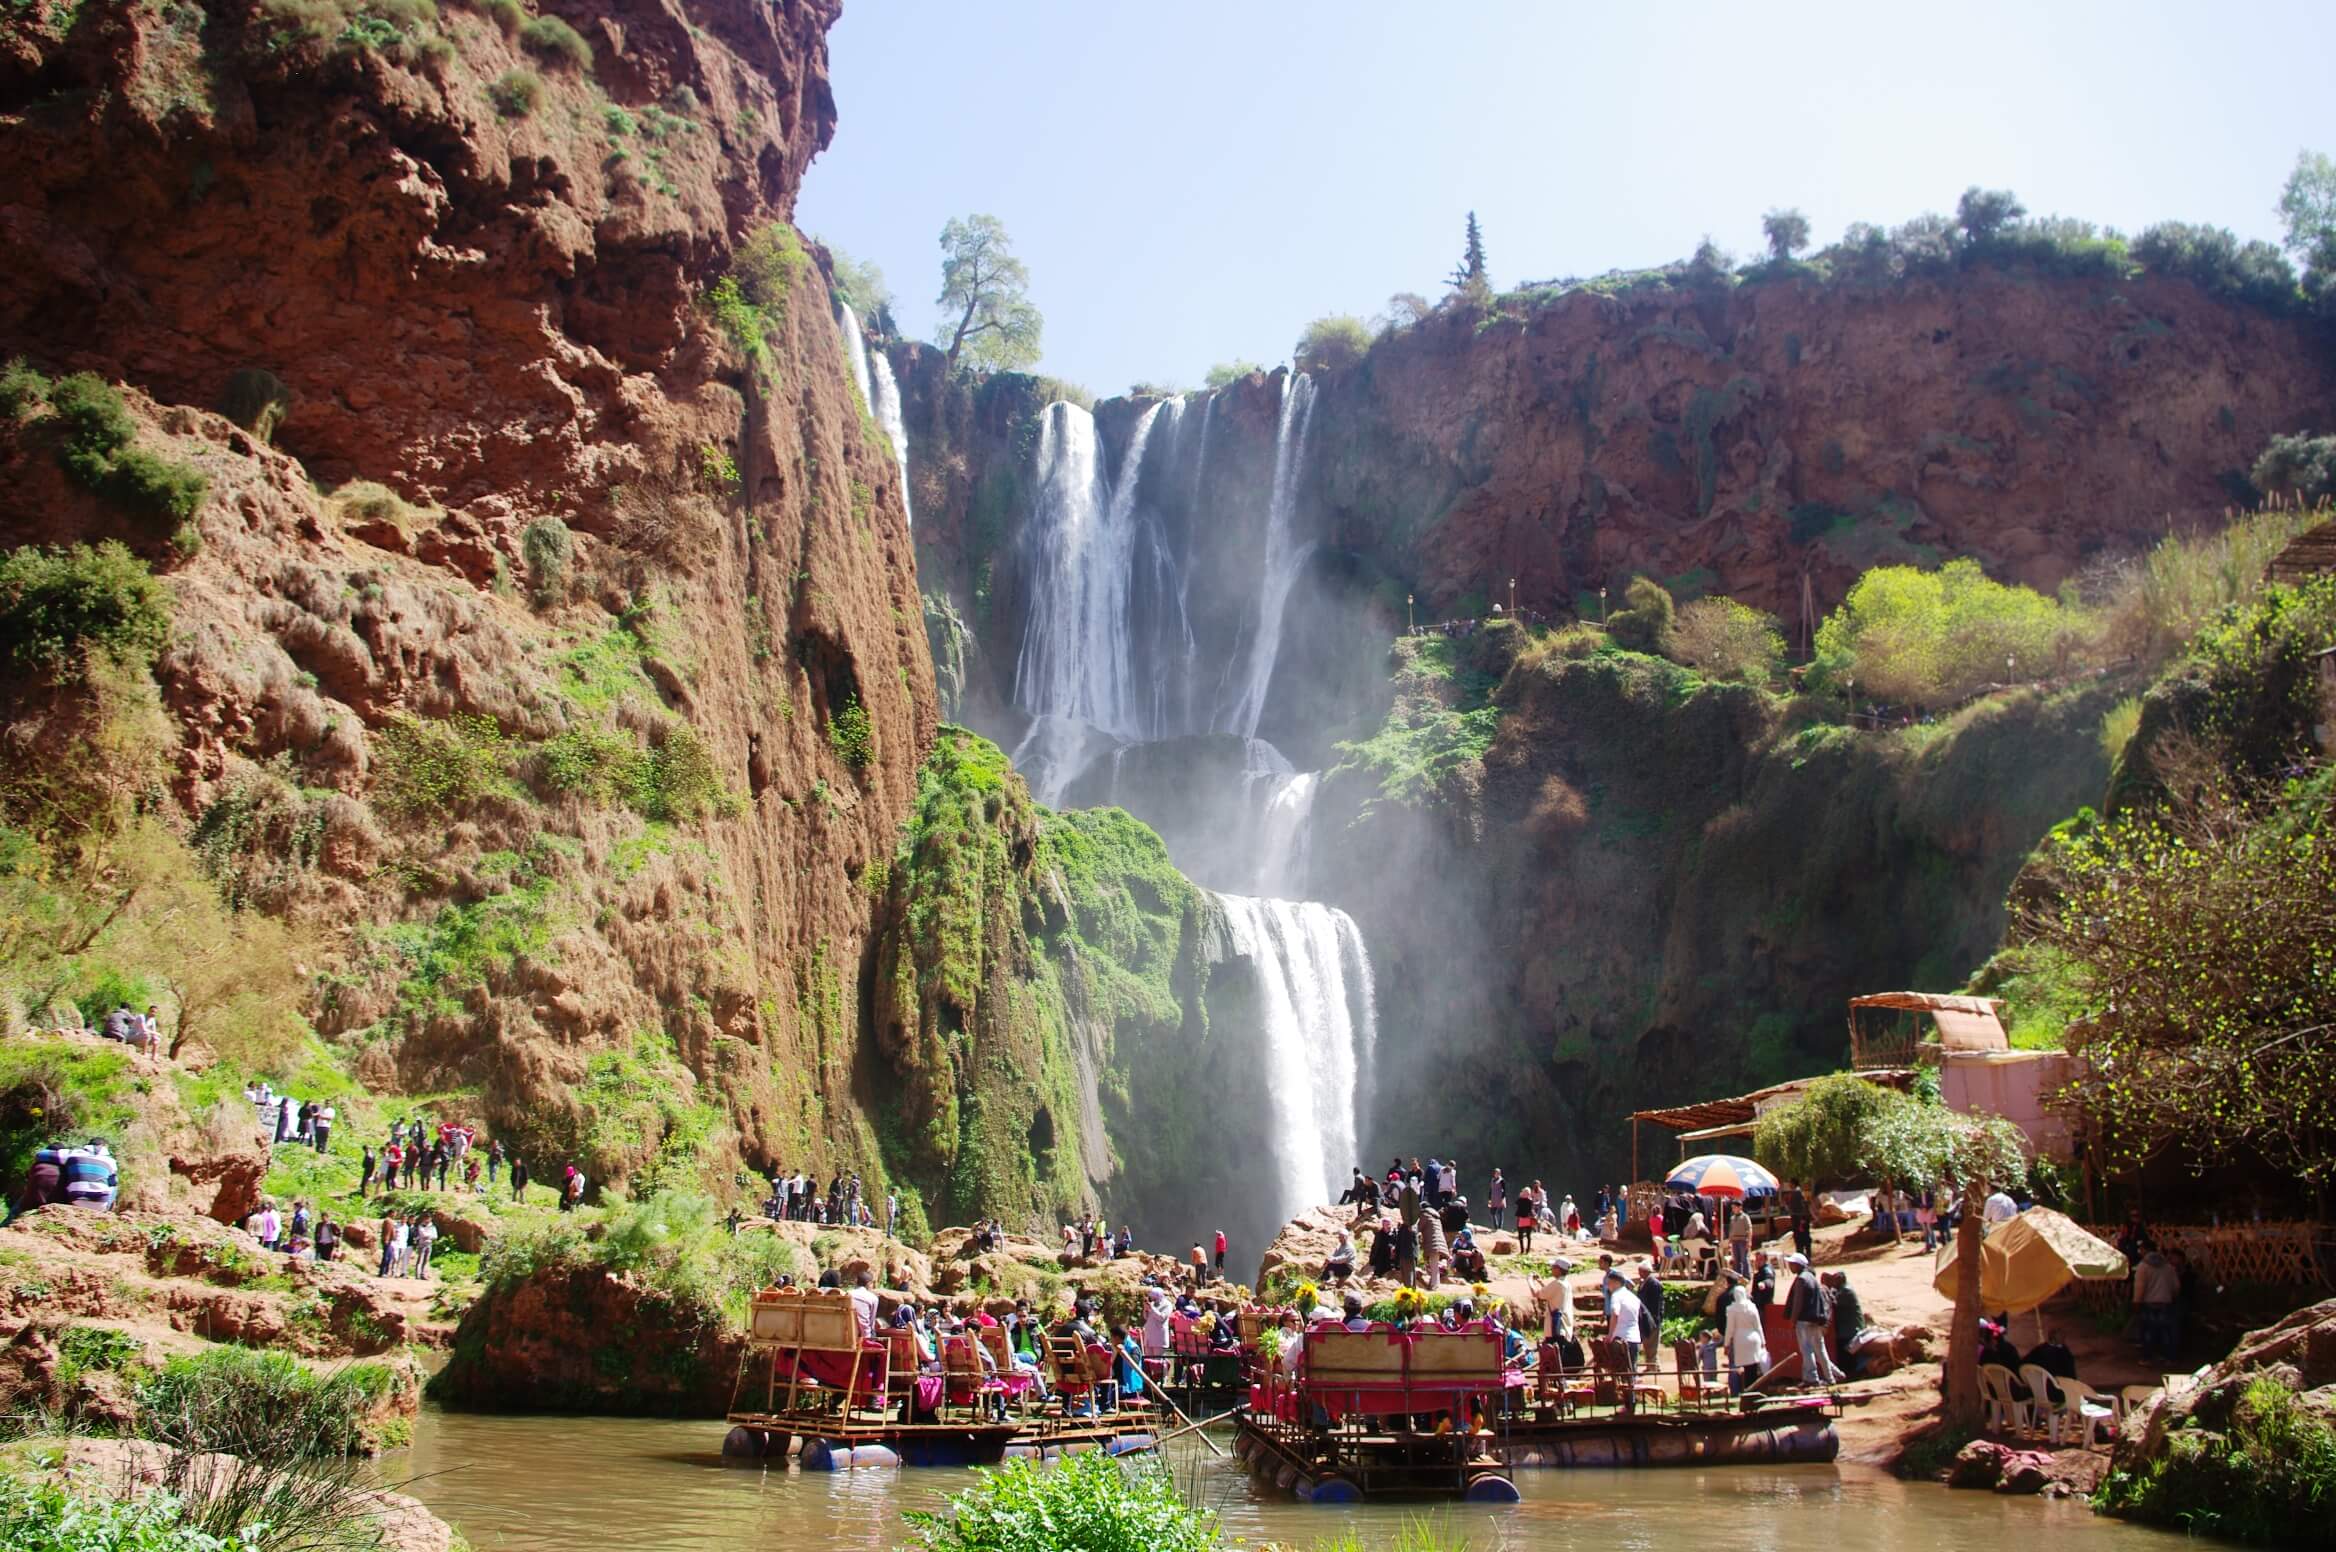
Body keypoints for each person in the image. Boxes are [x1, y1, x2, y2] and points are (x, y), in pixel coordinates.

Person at [1782, 1253, 1842, 1387]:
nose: (1790, 1266)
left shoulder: (1801, 1279)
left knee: (1806, 1349)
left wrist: (1793, 1319)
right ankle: (1830, 1378)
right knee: (1820, 1349)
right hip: (1815, 1319)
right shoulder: (1812, 1278)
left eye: (1792, 1264)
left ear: (1798, 1265)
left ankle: (1811, 1378)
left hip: (1803, 1320)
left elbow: (1798, 1302)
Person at [1722, 1272, 1768, 1395]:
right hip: (1754, 1338)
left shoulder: (1732, 1310)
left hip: (1740, 1339)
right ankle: (1754, 1390)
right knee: (1753, 1367)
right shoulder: (1752, 1308)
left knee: (1742, 1368)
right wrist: (1763, 1341)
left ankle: (1745, 1391)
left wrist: (1726, 1344)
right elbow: (1758, 1326)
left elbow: (1729, 1329)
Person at [2133, 1249, 2182, 1362]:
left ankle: (2147, 1358)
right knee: (2165, 1333)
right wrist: (2171, 1296)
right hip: (2165, 1302)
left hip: (2148, 1303)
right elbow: (2176, 1287)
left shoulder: (2143, 1267)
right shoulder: (2168, 1267)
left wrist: (2136, 1302)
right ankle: (2167, 1357)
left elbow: (2139, 1287)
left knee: (2148, 1332)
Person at [1826, 1271, 1867, 1379]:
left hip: (1851, 1327)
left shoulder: (1846, 1291)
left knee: (1846, 1350)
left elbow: (1833, 1303)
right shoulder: (1841, 1289)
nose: (1833, 1282)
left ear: (1840, 1279)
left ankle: (1851, 1373)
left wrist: (1827, 1288)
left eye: (1834, 1279)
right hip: (1845, 1327)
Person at [1604, 1269, 1644, 1373]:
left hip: (1620, 1338)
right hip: (1634, 1338)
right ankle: (1632, 1388)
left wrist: (1610, 1335)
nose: (1608, 1286)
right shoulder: (1633, 1297)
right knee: (1632, 1369)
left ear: (1616, 1282)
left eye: (1609, 1283)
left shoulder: (1616, 1295)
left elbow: (1615, 1314)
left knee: (1618, 1371)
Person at [1635, 1262, 1665, 1373]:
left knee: (1652, 1343)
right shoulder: (1644, 1283)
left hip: (1652, 1318)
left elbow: (1656, 1304)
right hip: (1645, 1318)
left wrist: (1654, 1318)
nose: (1639, 1273)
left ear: (1645, 1271)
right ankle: (1652, 1365)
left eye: (1640, 1271)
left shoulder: (1654, 1284)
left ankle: (1653, 1366)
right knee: (1648, 1343)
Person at [849, 1270, 881, 1338]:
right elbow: (871, 1321)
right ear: (869, 1283)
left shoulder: (848, 1294)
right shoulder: (873, 1298)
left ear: (856, 1281)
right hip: (864, 1336)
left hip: (848, 1332)